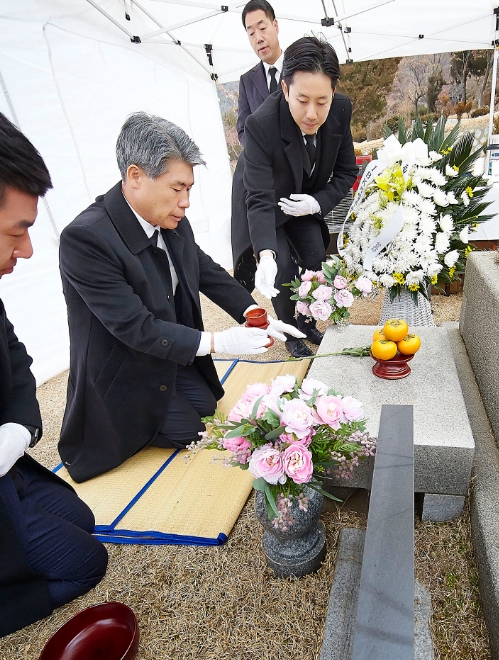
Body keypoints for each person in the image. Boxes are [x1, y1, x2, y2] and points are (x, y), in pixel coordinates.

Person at [0, 95, 107, 660]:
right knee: (85, 563)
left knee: (82, 521)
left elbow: (13, 359)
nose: (28, 251)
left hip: (3, 474)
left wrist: (16, 427)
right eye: (16, 231)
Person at [57, 113, 302, 483]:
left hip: (165, 354)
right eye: (177, 188)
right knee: (191, 430)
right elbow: (134, 327)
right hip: (124, 369)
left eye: (189, 188)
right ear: (136, 176)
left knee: (206, 404)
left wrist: (253, 311)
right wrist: (220, 342)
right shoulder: (86, 239)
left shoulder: (169, 217)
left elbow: (203, 268)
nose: (186, 202)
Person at [241, 36, 357, 358]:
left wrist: (316, 203)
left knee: (314, 256)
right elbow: (259, 198)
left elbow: (347, 171)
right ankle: (290, 332)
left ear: (333, 92)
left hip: (304, 200)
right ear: (285, 88)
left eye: (322, 102)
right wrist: (265, 254)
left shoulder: (341, 109)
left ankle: (307, 323)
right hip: (268, 199)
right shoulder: (260, 125)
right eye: (302, 100)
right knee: (281, 270)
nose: (312, 114)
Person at [231, 0, 283, 293]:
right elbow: (242, 128)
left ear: (275, 26)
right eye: (251, 33)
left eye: (262, 28)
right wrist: (261, 155)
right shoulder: (247, 80)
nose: (258, 38)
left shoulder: (298, 70)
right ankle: (244, 257)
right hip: (263, 174)